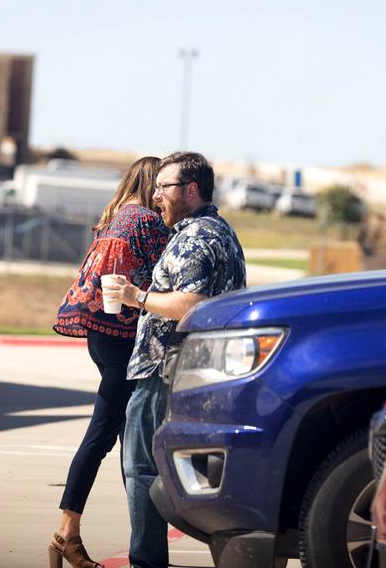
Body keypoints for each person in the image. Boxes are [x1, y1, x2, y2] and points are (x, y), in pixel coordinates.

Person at [103, 151, 246, 568]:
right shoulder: (222, 232)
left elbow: (191, 303)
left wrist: (136, 296)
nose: (156, 196)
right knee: (196, 477)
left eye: (163, 187)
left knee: (143, 469)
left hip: (165, 372)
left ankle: (146, 563)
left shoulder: (196, 237)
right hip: (199, 373)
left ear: (191, 190)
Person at [48, 156, 169, 568]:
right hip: (123, 343)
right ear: (153, 182)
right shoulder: (147, 223)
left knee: (126, 439)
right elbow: (164, 278)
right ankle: (67, 531)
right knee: (104, 435)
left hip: (100, 338)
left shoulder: (116, 217)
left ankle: (144, 543)